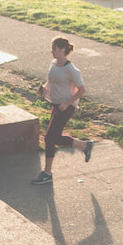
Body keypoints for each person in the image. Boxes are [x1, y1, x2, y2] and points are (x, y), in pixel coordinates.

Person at [31, 36, 95, 185]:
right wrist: (44, 89)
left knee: (49, 138)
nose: (52, 51)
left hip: (66, 107)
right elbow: (51, 81)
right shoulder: (54, 64)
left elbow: (81, 90)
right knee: (53, 137)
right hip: (56, 104)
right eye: (52, 48)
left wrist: (67, 103)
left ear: (63, 50)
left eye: (54, 49)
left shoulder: (71, 70)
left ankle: (47, 173)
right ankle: (85, 146)